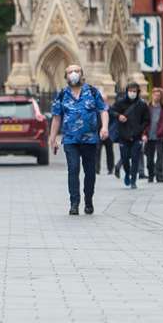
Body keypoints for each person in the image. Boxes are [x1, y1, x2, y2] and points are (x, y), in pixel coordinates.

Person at [49, 63, 110, 215]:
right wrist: (53, 139)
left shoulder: (92, 92)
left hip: (90, 140)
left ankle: (88, 200)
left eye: (76, 71)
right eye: (70, 72)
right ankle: (74, 203)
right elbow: (56, 118)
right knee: (73, 169)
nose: (74, 74)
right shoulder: (62, 94)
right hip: (70, 140)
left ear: (82, 74)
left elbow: (103, 110)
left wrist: (104, 127)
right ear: (66, 76)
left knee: (90, 172)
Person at [110, 83, 149, 189]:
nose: (132, 93)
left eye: (134, 91)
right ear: (127, 91)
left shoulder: (142, 105)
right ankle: (127, 173)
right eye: (130, 91)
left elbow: (146, 120)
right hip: (123, 136)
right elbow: (111, 111)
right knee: (125, 158)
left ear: (138, 92)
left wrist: (141, 130)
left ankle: (133, 180)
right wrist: (119, 116)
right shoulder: (120, 103)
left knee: (135, 159)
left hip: (136, 137)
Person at [144, 89, 163, 183]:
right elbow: (143, 121)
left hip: (159, 137)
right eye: (155, 95)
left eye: (158, 95)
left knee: (160, 157)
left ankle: (160, 176)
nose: (157, 97)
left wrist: (162, 131)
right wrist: (144, 134)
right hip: (149, 137)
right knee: (149, 158)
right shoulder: (148, 108)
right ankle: (151, 175)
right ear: (152, 96)